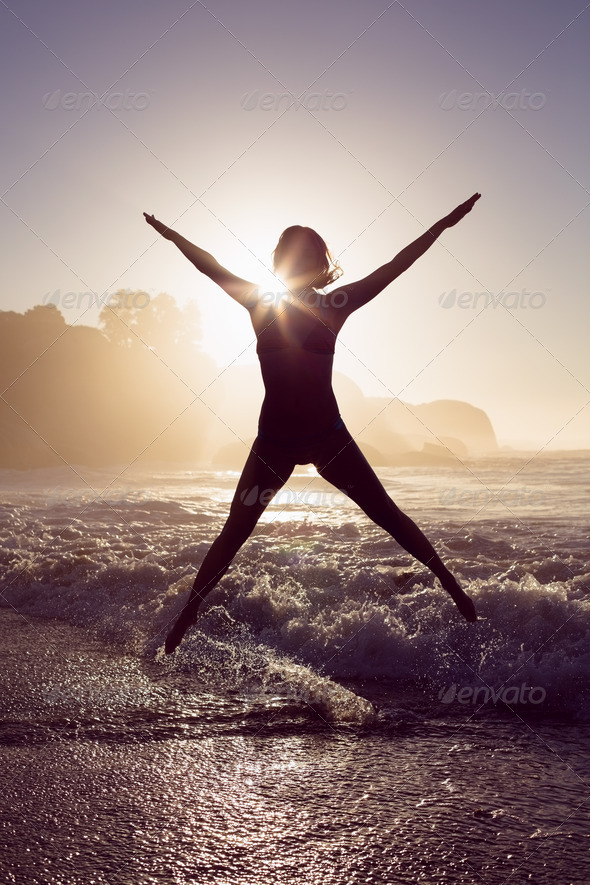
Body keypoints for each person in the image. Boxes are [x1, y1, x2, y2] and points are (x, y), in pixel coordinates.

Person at [143, 193, 480, 654]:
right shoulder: (258, 304)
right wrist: (171, 234)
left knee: (386, 516)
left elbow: (396, 264)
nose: (299, 262)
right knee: (235, 531)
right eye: (290, 256)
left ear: (320, 263)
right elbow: (210, 265)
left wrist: (442, 224)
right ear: (280, 263)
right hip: (274, 444)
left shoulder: (337, 303)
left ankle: (451, 585)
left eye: (308, 256)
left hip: (329, 440)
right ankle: (189, 613)